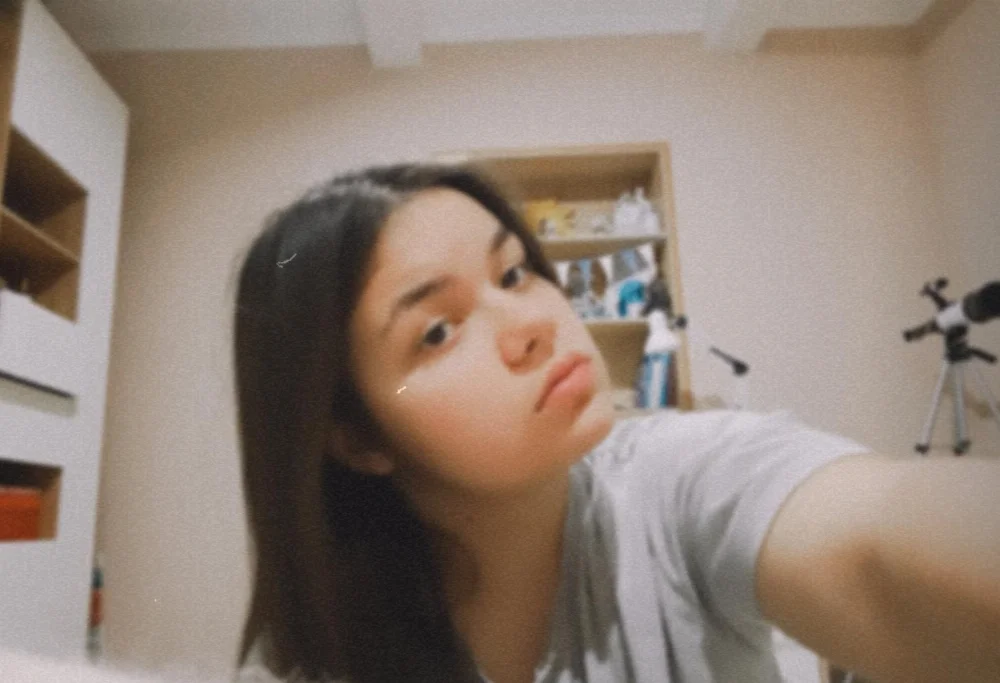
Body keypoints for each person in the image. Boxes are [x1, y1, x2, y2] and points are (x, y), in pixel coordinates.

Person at [232, 164, 999, 683]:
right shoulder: (322, 649)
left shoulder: (681, 481)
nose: (530, 321)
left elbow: (877, 558)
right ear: (358, 437)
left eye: (514, 273)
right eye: (436, 330)